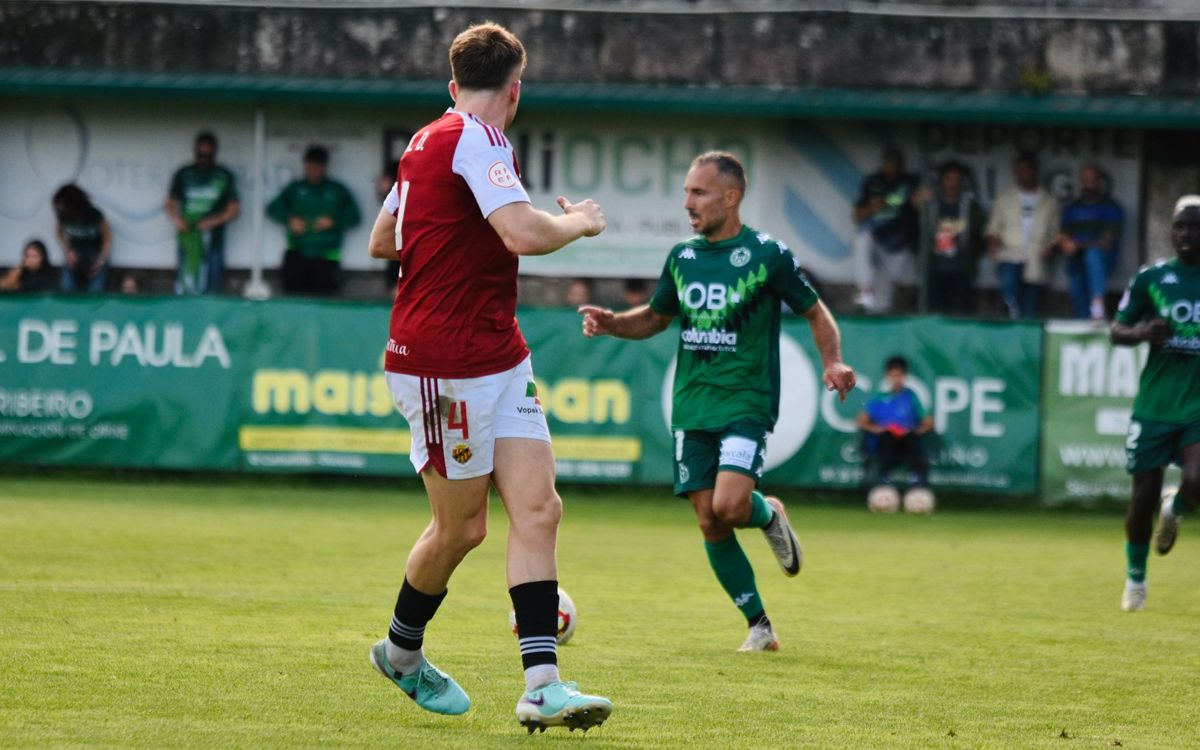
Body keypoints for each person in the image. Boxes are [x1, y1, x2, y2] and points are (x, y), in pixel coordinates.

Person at [368, 22, 612, 733]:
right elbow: (525, 234)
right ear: (516, 91)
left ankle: (543, 685)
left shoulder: (426, 142)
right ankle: (401, 652)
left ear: (453, 86)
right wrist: (582, 225)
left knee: (539, 509)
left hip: (500, 355)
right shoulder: (478, 138)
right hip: (443, 366)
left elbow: (385, 240)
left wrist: (452, 235)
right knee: (462, 529)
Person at [579, 151, 856, 653]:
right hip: (692, 405)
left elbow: (816, 312)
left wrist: (833, 361)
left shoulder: (768, 254)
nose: (687, 202)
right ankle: (760, 626)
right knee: (708, 518)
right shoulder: (683, 257)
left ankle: (767, 515)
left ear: (731, 198)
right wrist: (614, 322)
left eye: (698, 193)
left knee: (730, 505)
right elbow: (657, 317)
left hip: (745, 400)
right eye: (686, 191)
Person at [1110, 195, 1200, 612]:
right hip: (1154, 406)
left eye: (1194, 227)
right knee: (1141, 498)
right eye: (1180, 226)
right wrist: (1144, 332)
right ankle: (1136, 580)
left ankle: (1177, 506)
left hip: (1196, 407)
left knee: (1198, 481)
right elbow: (1117, 329)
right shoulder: (1152, 278)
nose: (1186, 234)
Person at [267, 145, 362, 295]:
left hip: (326, 256)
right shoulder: (295, 188)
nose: (313, 170)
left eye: (317, 166)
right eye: (310, 165)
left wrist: (334, 222)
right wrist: (289, 220)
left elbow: (355, 217)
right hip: (297, 253)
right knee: (293, 298)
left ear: (325, 167)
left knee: (326, 299)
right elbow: (272, 209)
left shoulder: (337, 190)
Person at [986, 152, 1060, 319]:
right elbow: (992, 229)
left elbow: (1056, 232)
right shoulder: (1004, 198)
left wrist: (1050, 247)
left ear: (1035, 171)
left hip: (1035, 255)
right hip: (1010, 253)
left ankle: (1027, 338)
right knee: (1009, 297)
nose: (1023, 174)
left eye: (1027, 170)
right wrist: (992, 245)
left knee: (1030, 303)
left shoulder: (1049, 201)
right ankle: (1010, 331)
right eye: (1019, 170)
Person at [166, 132, 240, 295]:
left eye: (208, 152)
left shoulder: (223, 175)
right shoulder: (184, 173)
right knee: (185, 283)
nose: (204, 156)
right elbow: (169, 203)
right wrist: (178, 220)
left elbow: (234, 209)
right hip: (188, 239)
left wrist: (212, 222)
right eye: (201, 152)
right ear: (195, 150)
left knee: (211, 289)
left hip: (213, 242)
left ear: (214, 152)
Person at [852, 146, 920, 313]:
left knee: (885, 292)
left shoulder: (910, 181)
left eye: (896, 162)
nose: (892, 166)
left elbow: (920, 206)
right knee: (862, 238)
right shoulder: (873, 181)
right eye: (889, 162)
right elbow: (857, 215)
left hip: (899, 240)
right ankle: (865, 290)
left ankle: (878, 317)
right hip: (876, 235)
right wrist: (873, 207)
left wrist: (919, 200)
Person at [858, 355, 933, 496]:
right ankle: (884, 478)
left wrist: (915, 430)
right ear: (887, 376)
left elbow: (928, 422)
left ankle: (916, 480)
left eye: (899, 375)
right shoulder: (879, 398)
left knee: (912, 438)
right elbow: (861, 421)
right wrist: (876, 429)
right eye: (893, 375)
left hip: (907, 441)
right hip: (886, 441)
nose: (896, 379)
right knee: (886, 436)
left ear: (904, 376)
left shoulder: (912, 397)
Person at [918, 162, 986, 315]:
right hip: (934, 268)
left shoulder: (969, 205)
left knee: (959, 313)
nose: (952, 184)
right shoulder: (931, 204)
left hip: (960, 269)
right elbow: (914, 230)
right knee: (934, 312)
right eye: (949, 179)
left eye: (957, 179)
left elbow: (981, 234)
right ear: (942, 181)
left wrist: (970, 256)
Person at [1061, 164, 1124, 320]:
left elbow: (1107, 242)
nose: (1089, 183)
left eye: (1092, 179)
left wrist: (1079, 245)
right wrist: (1066, 243)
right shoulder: (1073, 208)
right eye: (1085, 180)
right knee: (1077, 283)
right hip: (1076, 261)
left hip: (1102, 259)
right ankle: (1085, 321)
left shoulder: (1110, 207)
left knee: (1093, 255)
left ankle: (1098, 307)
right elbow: (1063, 235)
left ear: (1099, 181)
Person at [53, 185, 111, 293]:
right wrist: (68, 250)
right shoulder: (63, 216)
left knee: (95, 291)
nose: (61, 207)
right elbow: (59, 233)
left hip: (96, 254)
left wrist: (101, 260)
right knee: (67, 287)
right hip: (76, 254)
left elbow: (107, 239)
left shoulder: (94, 214)